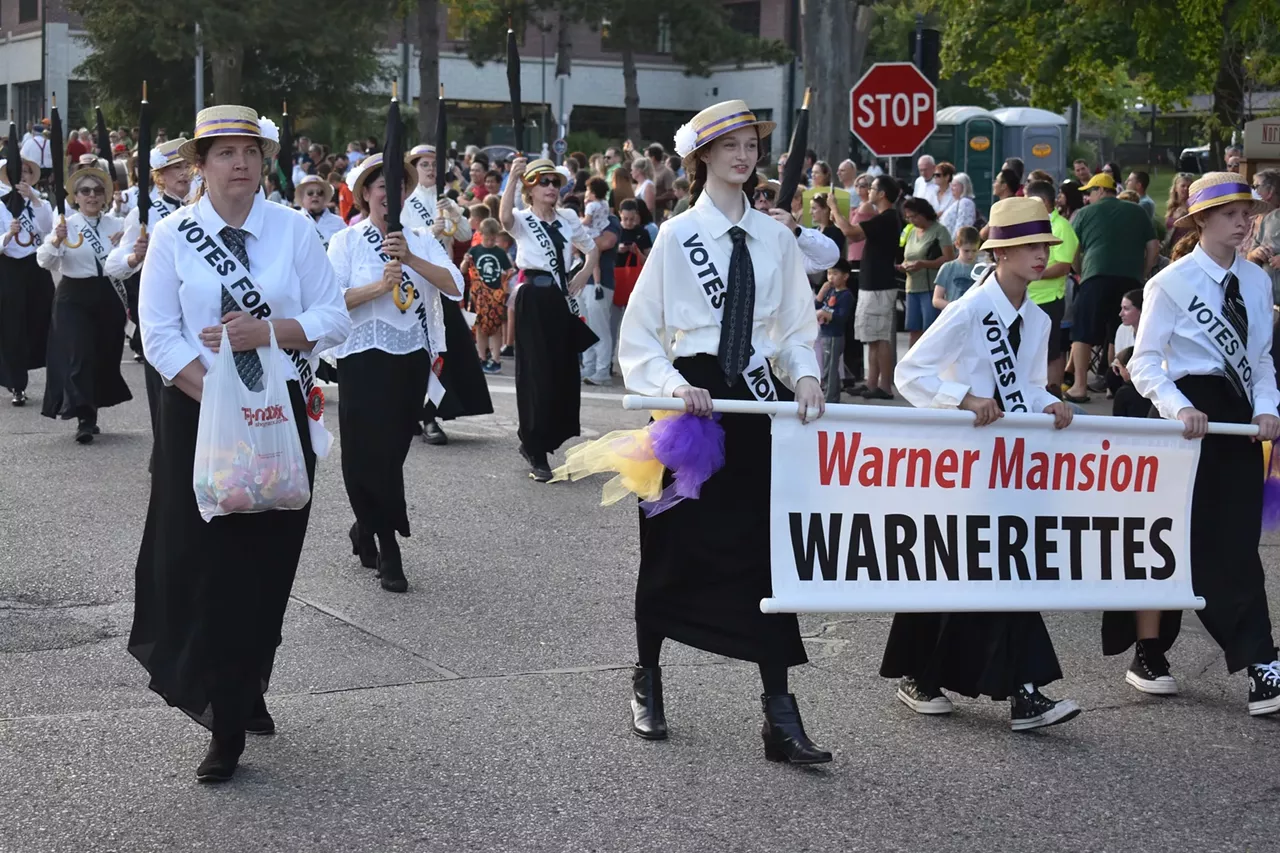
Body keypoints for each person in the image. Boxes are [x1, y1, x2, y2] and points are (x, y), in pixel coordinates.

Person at [130, 105, 351, 783]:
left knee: (268, 564)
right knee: (208, 567)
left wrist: (272, 331)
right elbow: (159, 332)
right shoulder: (174, 235)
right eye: (223, 152)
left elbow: (332, 317)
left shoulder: (294, 231)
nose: (240, 164)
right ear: (200, 164)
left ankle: (250, 675)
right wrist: (219, 396)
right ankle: (224, 720)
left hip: (282, 416)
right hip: (200, 416)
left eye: (250, 151)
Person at [617, 99, 831, 764]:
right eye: (730, 145)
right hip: (690, 401)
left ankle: (779, 712)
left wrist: (804, 376)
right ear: (702, 156)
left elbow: (795, 328)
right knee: (671, 545)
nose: (744, 155)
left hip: (753, 401)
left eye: (751, 144)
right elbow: (641, 331)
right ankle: (647, 676)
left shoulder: (774, 238)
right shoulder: (677, 236)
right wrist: (673, 385)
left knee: (764, 558)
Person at [886, 196, 1081, 732]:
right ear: (1000, 252)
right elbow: (910, 374)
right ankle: (998, 686)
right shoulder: (968, 310)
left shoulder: (1038, 319)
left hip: (1012, 465)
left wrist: (1052, 405)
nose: (1041, 255)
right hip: (962, 465)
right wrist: (963, 398)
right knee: (960, 567)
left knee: (999, 569)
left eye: (1045, 245)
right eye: (1028, 246)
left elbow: (1031, 387)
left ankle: (992, 686)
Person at [1123, 172, 1280, 716]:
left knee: (1234, 542)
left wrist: (1267, 409)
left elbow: (1260, 358)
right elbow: (1144, 363)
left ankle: (1261, 661)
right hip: (1183, 418)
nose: (1243, 222)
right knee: (1165, 539)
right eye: (1231, 213)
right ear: (1200, 221)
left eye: (1247, 212)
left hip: (1237, 420)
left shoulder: (1257, 282)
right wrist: (1179, 407)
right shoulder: (1169, 282)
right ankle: (1148, 651)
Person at [326, 152, 462, 593]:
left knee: (393, 451)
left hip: (410, 356)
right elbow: (331, 302)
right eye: (382, 186)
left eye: (398, 186)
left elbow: (456, 286)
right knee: (367, 452)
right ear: (366, 193)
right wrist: (377, 288)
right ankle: (389, 543)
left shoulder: (420, 238)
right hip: (363, 356)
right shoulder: (346, 242)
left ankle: (366, 525)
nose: (390, 193)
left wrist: (413, 260)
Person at [499, 158, 600, 482]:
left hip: (559, 298)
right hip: (532, 298)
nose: (551, 188)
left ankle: (548, 437)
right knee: (536, 374)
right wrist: (512, 178)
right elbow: (503, 218)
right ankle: (534, 445)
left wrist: (583, 273)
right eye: (544, 182)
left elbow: (592, 249)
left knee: (562, 373)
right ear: (531, 188)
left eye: (555, 183)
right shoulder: (523, 219)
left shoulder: (568, 218)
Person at [401, 143, 489, 444]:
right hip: (414, 284)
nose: (429, 169)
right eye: (423, 164)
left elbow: (465, 235)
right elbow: (402, 238)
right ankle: (412, 409)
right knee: (415, 350)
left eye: (433, 164)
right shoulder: (407, 200)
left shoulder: (444, 199)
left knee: (443, 350)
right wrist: (429, 231)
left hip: (442, 283)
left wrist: (454, 212)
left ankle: (431, 414)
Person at [105, 138, 192, 437]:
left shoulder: (203, 206)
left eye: (186, 167)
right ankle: (165, 454)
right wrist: (135, 256)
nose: (184, 174)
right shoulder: (144, 214)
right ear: (159, 175)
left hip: (198, 307)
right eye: (175, 168)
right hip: (161, 308)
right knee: (164, 386)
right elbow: (112, 265)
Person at [37, 164, 130, 442]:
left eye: (98, 191)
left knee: (103, 355)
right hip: (73, 296)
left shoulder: (118, 226)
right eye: (85, 191)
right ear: (75, 196)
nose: (92, 196)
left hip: (107, 295)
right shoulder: (66, 224)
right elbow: (45, 261)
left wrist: (128, 246)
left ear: (105, 197)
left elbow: (130, 266)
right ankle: (84, 418)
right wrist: (56, 241)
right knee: (79, 354)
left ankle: (92, 411)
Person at [1065, 172, 1158, 403]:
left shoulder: (1084, 214)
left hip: (1095, 277)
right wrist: (1142, 273)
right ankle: (1113, 385)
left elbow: (1072, 249)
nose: (1087, 198)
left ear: (1100, 191)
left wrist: (1079, 271)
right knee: (1119, 330)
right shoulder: (1137, 211)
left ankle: (1079, 386)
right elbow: (1154, 247)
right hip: (1129, 279)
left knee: (1082, 332)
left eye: (1089, 192)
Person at [0, 153, 55, 406]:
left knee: (46, 319)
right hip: (9, 268)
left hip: (36, 266)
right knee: (13, 326)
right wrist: (6, 237)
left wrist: (33, 198)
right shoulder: (1, 202)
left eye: (24, 171)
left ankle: (55, 375)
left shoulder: (38, 201)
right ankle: (17, 383)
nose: (21, 175)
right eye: (16, 171)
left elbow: (48, 228)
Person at [843, 175, 903, 400]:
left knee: (880, 336)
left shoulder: (887, 218)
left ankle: (885, 386)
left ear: (882, 194)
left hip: (879, 285)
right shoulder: (883, 217)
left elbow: (851, 232)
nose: (869, 191)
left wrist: (835, 210)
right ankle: (871, 383)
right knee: (872, 337)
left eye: (873, 188)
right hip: (872, 284)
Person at [1025, 179, 1078, 390]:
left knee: (1051, 351)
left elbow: (1064, 266)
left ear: (1043, 202)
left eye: (1030, 201)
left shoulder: (1061, 227)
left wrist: (1031, 275)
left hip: (1049, 299)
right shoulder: (1031, 225)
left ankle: (1054, 393)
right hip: (1027, 297)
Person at [462, 217, 514, 373]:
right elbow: (463, 270)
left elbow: (509, 271)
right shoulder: (475, 250)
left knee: (495, 328)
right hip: (479, 296)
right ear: (481, 234)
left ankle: (496, 359)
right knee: (480, 327)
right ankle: (482, 357)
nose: (491, 242)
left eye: (494, 239)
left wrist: (506, 284)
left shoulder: (500, 253)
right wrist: (465, 261)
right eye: (488, 238)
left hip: (495, 295)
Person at [900, 198, 953, 343]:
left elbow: (949, 258)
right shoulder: (911, 232)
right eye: (908, 217)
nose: (912, 220)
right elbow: (908, 256)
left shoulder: (939, 231)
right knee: (914, 329)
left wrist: (925, 264)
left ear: (924, 213)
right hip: (912, 287)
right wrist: (904, 266)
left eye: (914, 216)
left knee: (930, 330)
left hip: (931, 287)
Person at [815, 258, 854, 402]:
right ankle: (833, 396)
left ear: (845, 276)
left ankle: (829, 398)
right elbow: (816, 304)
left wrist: (824, 314)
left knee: (830, 369)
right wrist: (821, 292)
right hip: (825, 334)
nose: (831, 277)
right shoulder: (830, 291)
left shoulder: (845, 295)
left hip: (834, 336)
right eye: (829, 273)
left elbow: (841, 316)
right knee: (828, 366)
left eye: (835, 273)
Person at [1244, 168, 1280, 303]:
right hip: (1259, 295)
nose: (1252, 190)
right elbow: (1249, 257)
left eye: (1256, 186)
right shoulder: (1246, 219)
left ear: (1270, 192)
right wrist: (1255, 254)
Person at [931, 225, 980, 311]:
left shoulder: (981, 269)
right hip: (952, 316)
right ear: (957, 245)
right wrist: (957, 307)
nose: (970, 255)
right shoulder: (948, 268)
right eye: (966, 251)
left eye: (974, 250)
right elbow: (936, 300)